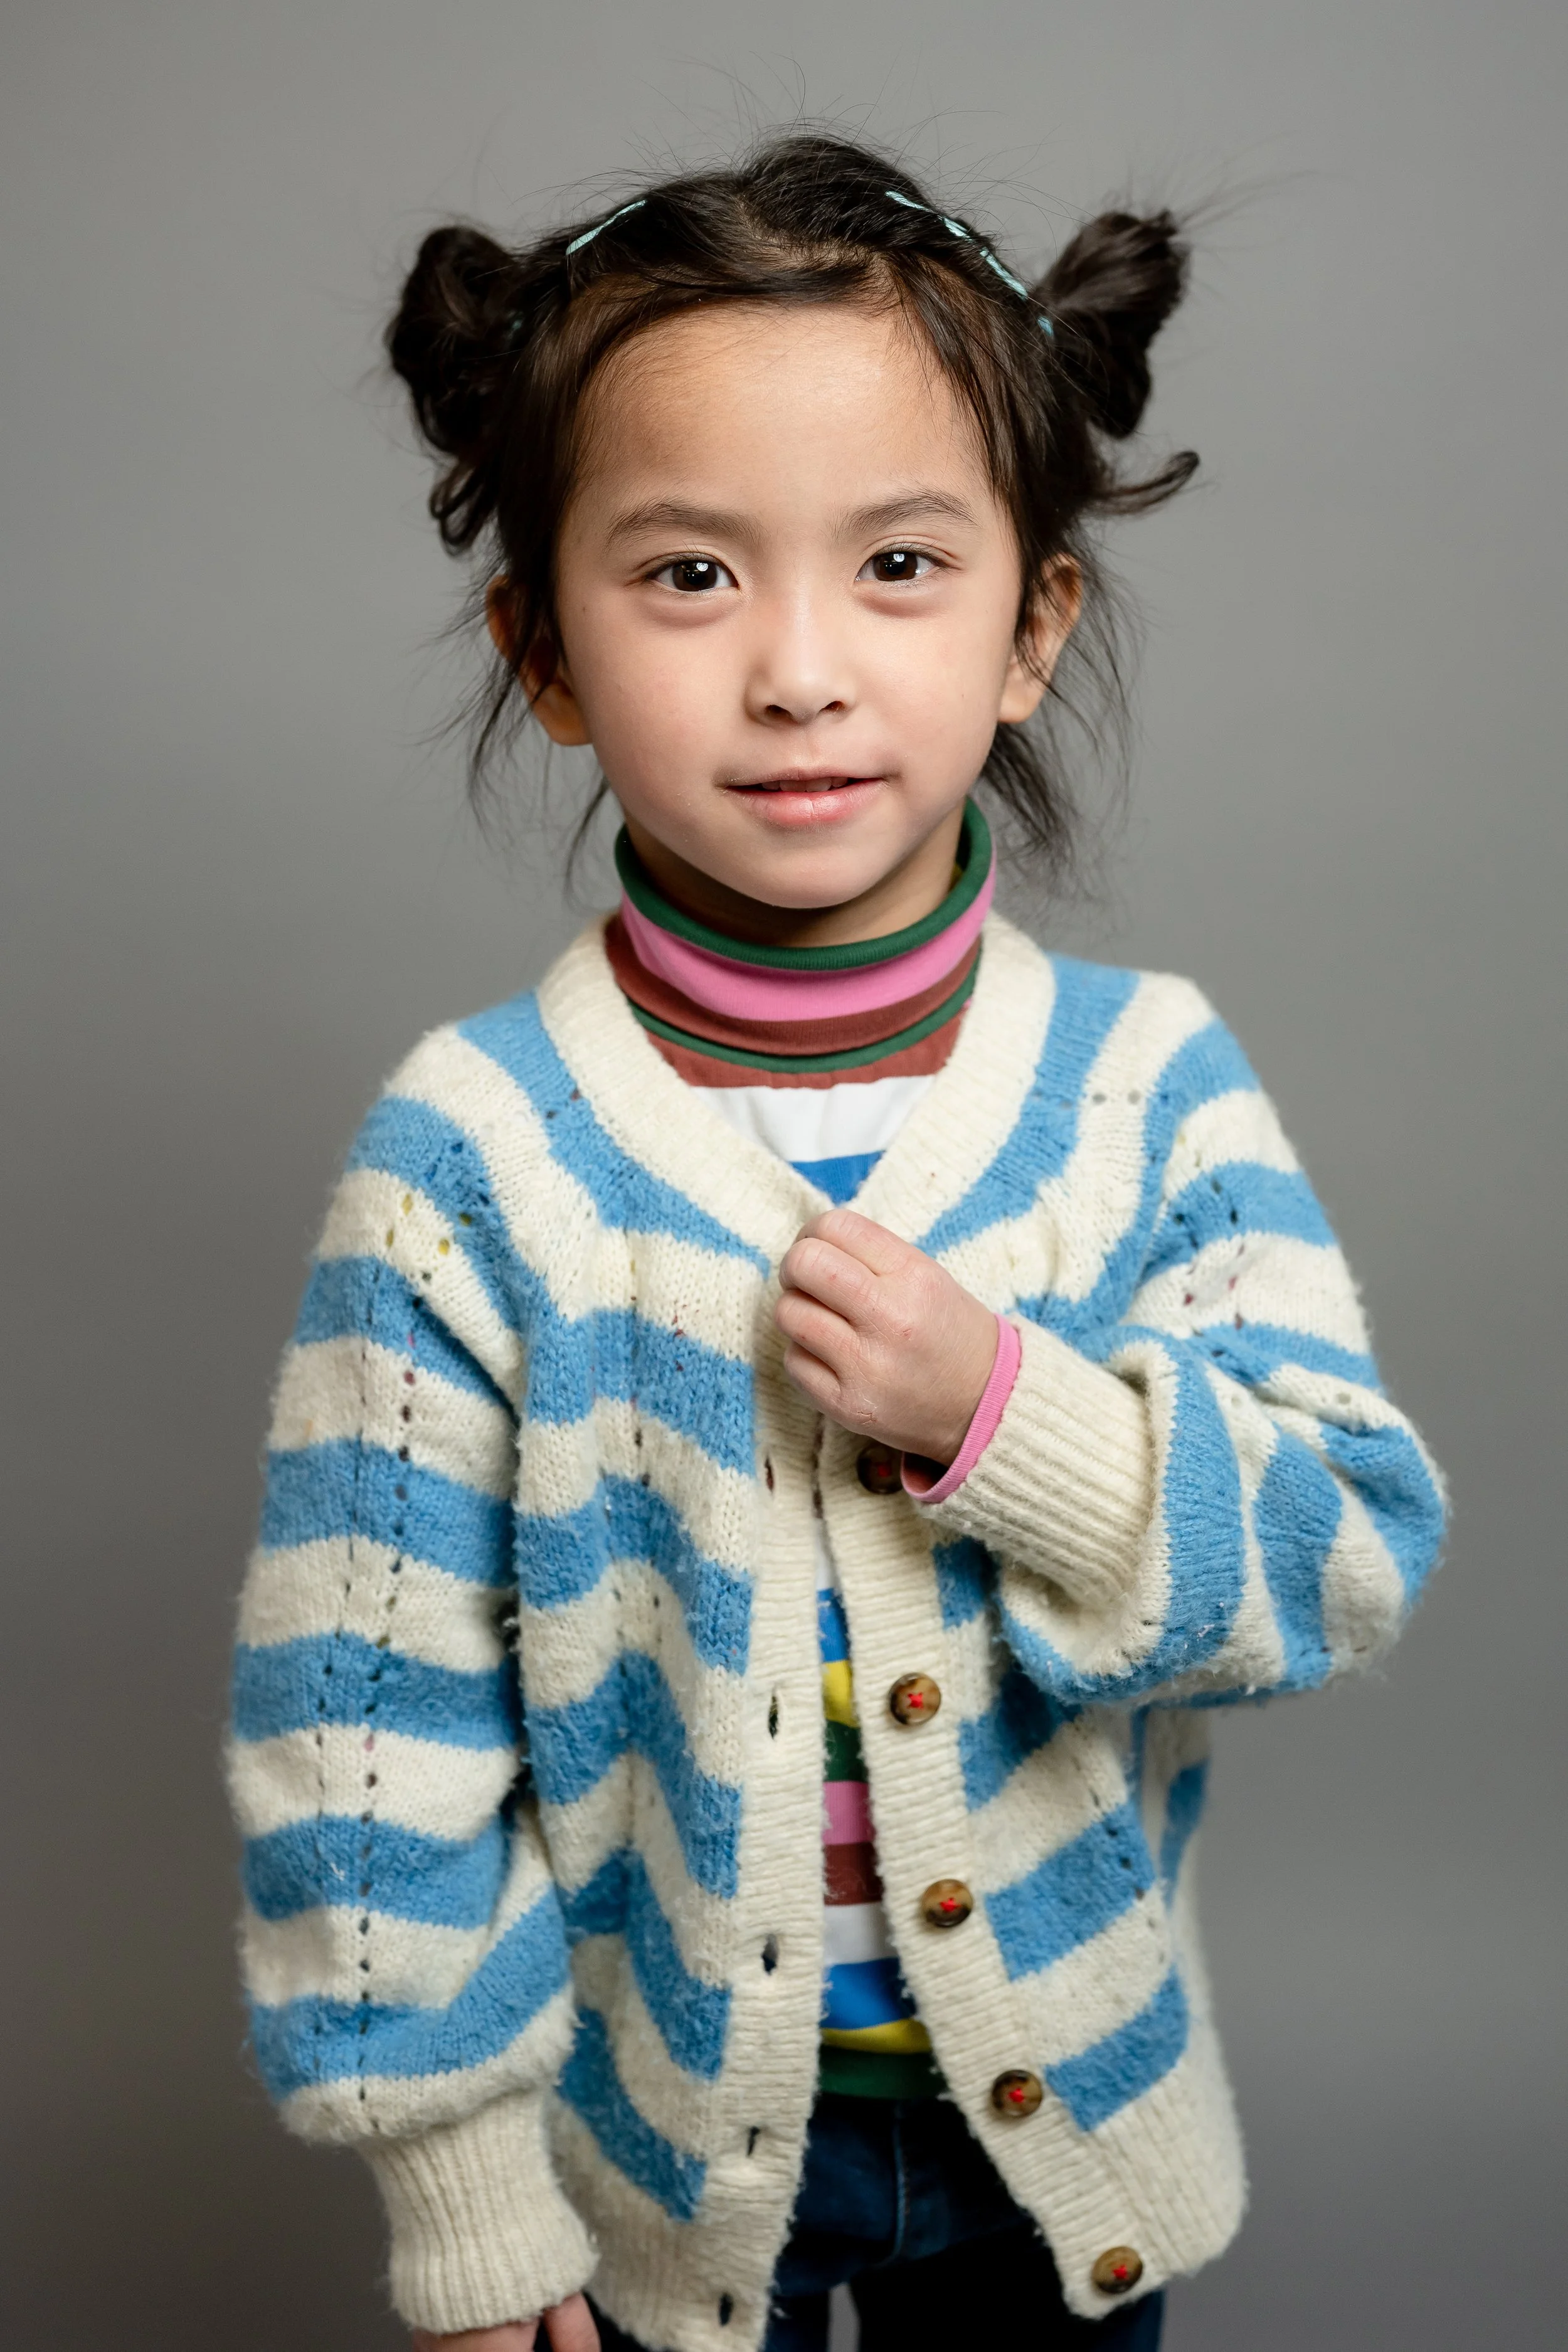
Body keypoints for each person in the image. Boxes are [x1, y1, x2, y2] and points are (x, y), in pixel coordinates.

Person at [226, 131, 1446, 2352]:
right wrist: (467, 2213)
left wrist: (1013, 1420)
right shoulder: (475, 1154)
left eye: (898, 563)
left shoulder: (1142, 1091)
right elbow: (364, 1730)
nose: (797, 668)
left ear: (1029, 624)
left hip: (1060, 2140)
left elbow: (1342, 1549)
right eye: (687, 576)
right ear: (548, 646)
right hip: (654, 2173)